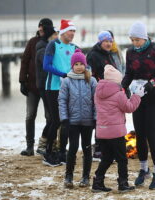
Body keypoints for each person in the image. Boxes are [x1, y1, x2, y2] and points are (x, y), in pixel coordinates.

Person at [121, 21, 155, 190]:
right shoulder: (130, 52)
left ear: (144, 37)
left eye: (137, 40)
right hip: (138, 97)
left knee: (152, 134)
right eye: (132, 40)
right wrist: (122, 87)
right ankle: (143, 170)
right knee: (140, 134)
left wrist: (152, 83)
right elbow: (128, 73)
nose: (135, 43)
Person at [92, 65, 143, 192]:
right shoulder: (119, 94)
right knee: (121, 159)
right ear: (116, 81)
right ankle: (123, 183)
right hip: (115, 133)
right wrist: (137, 96)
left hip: (102, 131)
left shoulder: (97, 92)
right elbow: (129, 108)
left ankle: (97, 182)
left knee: (107, 158)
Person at [58, 49, 97, 188]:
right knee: (73, 148)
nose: (79, 66)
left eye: (82, 64)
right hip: (72, 122)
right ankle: (69, 176)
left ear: (85, 65)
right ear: (72, 66)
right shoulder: (67, 81)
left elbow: (96, 101)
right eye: (76, 64)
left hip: (88, 122)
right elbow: (62, 100)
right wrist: (64, 118)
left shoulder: (91, 80)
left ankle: (85, 177)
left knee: (87, 149)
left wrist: (95, 118)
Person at [43, 19, 77, 166]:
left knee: (67, 121)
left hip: (69, 88)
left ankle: (62, 152)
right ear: (63, 32)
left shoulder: (75, 47)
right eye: (70, 31)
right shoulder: (53, 45)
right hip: (53, 88)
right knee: (56, 120)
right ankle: (48, 152)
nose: (73, 34)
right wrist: (63, 74)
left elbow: (82, 64)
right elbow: (46, 65)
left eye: (74, 31)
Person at [19, 18, 53, 156]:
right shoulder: (32, 42)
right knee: (30, 116)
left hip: (47, 86)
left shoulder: (52, 42)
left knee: (50, 117)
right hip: (32, 86)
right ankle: (29, 146)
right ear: (39, 28)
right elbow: (25, 60)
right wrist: (22, 81)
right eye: (41, 27)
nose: (42, 29)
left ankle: (48, 145)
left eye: (45, 27)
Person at [86, 30, 117, 161]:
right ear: (100, 42)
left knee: (107, 121)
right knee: (99, 121)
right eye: (106, 41)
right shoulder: (93, 55)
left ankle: (106, 149)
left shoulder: (108, 54)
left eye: (110, 41)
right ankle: (98, 149)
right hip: (98, 93)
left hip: (110, 93)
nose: (109, 44)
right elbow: (89, 75)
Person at [35, 25, 58, 155]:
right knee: (53, 118)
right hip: (46, 87)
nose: (57, 37)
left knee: (54, 118)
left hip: (50, 87)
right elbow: (48, 67)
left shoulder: (50, 47)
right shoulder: (43, 49)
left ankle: (51, 143)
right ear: (50, 36)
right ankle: (44, 144)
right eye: (55, 35)